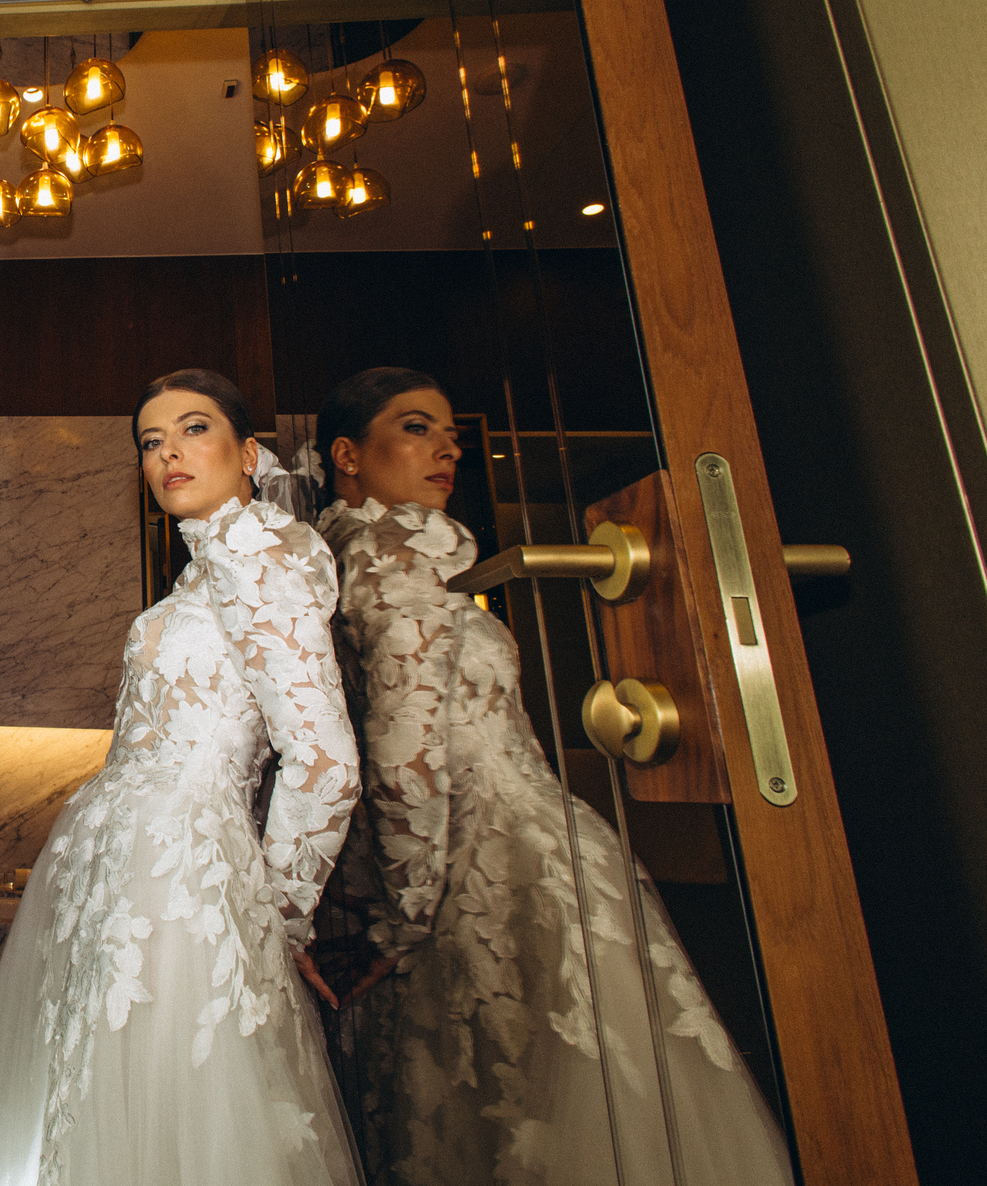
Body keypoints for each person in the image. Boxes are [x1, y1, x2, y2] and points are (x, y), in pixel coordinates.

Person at [315, 367, 794, 1186]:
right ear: (348, 454)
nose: (448, 448)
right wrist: (404, 919)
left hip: (488, 849)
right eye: (417, 427)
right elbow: (403, 753)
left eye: (452, 434)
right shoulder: (397, 551)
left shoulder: (377, 553)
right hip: (483, 857)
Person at [0, 369, 367, 1186]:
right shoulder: (204, 569)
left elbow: (327, 762)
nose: (168, 453)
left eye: (194, 429)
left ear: (249, 454)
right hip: (120, 874)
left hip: (184, 880)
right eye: (151, 441)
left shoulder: (264, 556)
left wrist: (278, 917)